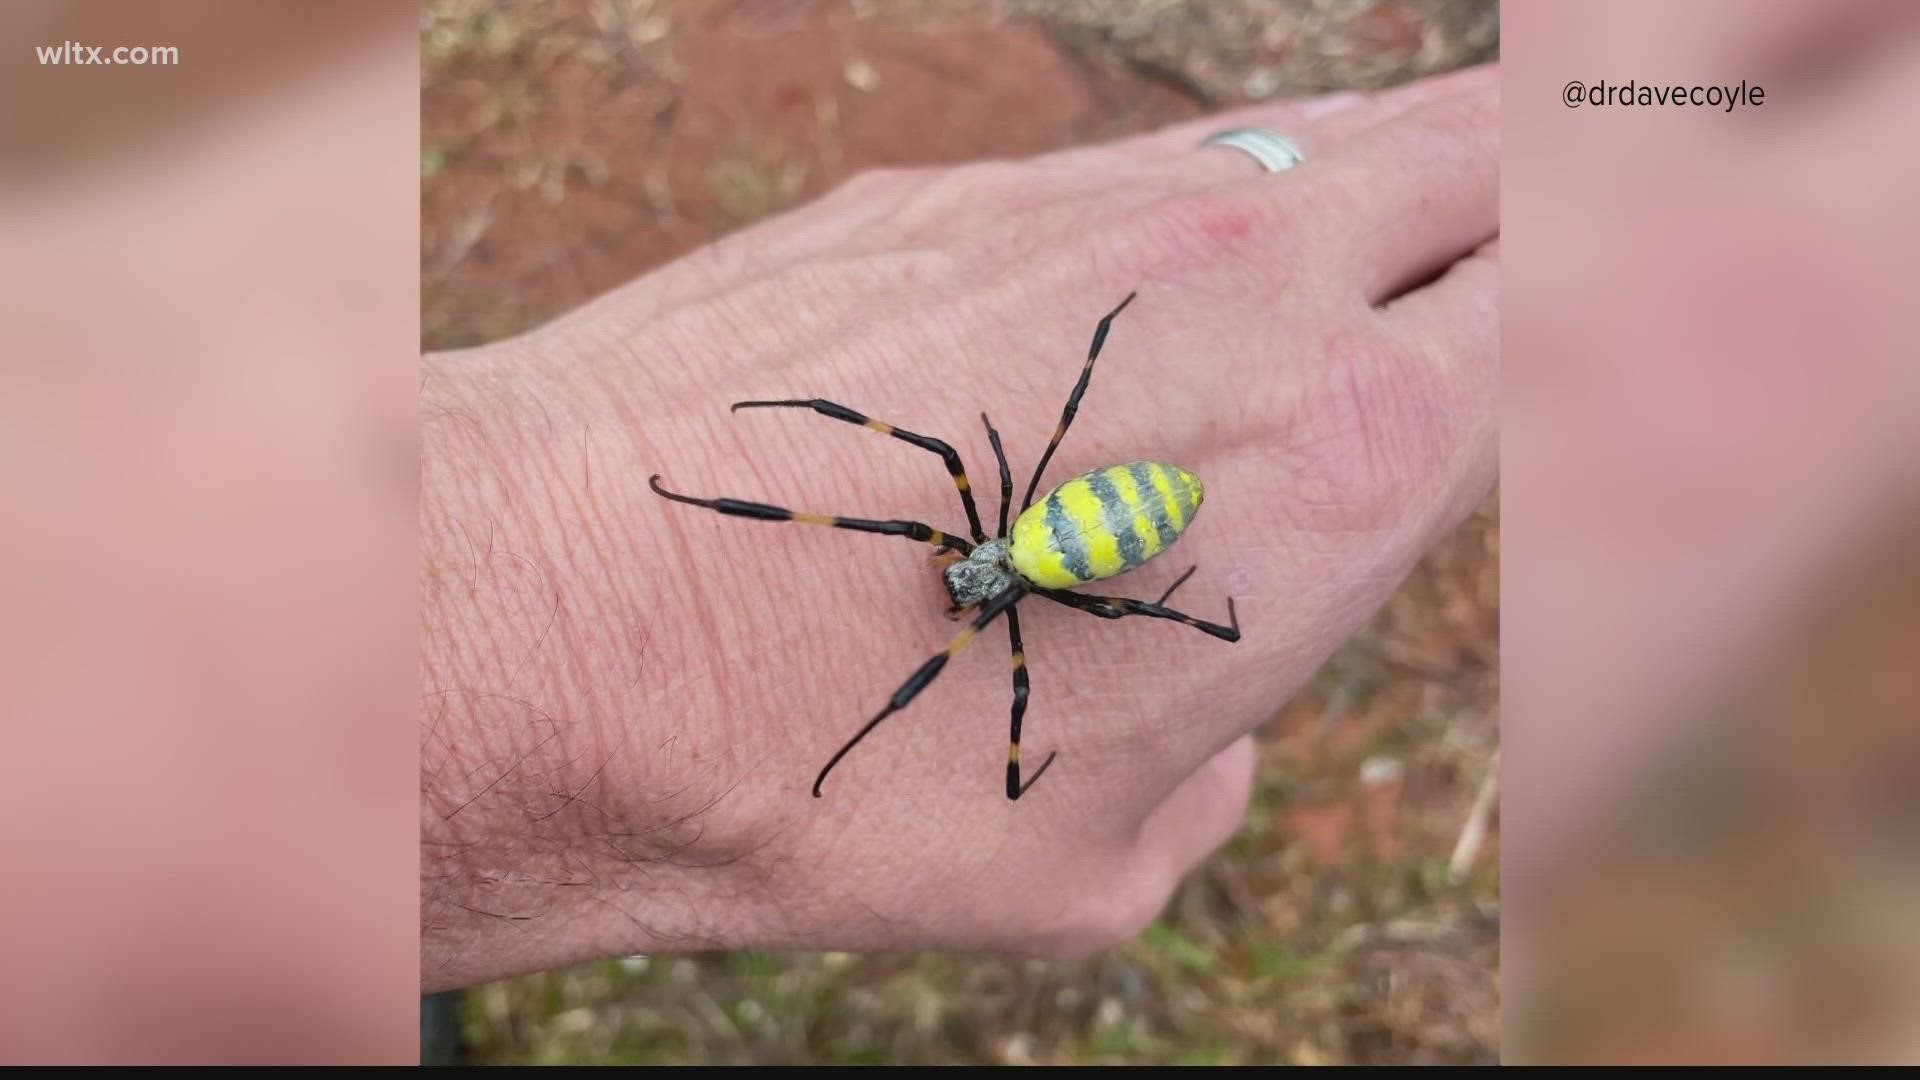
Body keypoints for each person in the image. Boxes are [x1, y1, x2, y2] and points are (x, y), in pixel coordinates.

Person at [420, 64, 1498, 992]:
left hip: (1106, 523)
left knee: (946, 528)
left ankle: (848, 707)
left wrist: (1027, 736)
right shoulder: (999, 551)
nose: (963, 583)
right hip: (1084, 529)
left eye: (973, 575)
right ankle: (730, 522)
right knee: (947, 511)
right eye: (973, 573)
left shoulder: (999, 563)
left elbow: (924, 502)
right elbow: (916, 484)